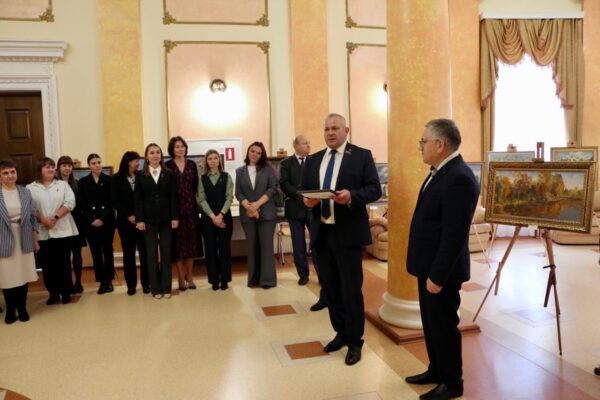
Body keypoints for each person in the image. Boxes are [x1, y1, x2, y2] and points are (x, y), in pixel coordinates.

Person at [404, 119, 479, 400]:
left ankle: (452, 382)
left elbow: (454, 235)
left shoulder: (459, 177)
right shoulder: (440, 172)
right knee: (432, 323)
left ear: (440, 144)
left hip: (441, 271)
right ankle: (436, 369)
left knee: (444, 326)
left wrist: (437, 275)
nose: (420, 147)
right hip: (428, 266)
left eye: (423, 142)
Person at [302, 113, 381, 366]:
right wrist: (307, 201)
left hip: (347, 234)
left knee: (350, 290)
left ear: (346, 131)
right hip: (322, 233)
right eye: (326, 129)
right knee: (331, 290)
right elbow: (305, 191)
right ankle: (341, 333)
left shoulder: (361, 156)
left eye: (335, 128)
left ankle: (355, 341)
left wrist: (352, 197)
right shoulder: (314, 159)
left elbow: (374, 189)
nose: (330, 133)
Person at [280, 135, 327, 311]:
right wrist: (302, 196)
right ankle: (303, 274)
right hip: (295, 208)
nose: (308, 145)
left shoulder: (315, 161)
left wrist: (312, 197)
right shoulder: (286, 163)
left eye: (309, 143)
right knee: (298, 243)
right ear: (295, 146)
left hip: (314, 208)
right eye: (305, 143)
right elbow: (284, 184)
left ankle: (322, 275)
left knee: (317, 243)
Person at [27, 157, 79, 305]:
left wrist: (55, 217)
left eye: (52, 166)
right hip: (42, 232)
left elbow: (70, 202)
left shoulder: (62, 185)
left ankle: (66, 292)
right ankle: (53, 294)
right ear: (40, 169)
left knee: (64, 263)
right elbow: (30, 207)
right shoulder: (30, 188)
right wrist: (43, 220)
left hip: (62, 230)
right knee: (47, 265)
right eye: (47, 167)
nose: (50, 169)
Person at [134, 143, 179, 299]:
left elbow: (173, 197)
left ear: (161, 155)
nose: (155, 155)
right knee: (151, 255)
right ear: (146, 157)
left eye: (157, 152)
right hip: (148, 220)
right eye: (152, 153)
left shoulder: (169, 173)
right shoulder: (140, 175)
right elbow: (138, 199)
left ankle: (166, 288)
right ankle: (156, 289)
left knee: (166, 253)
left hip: (166, 219)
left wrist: (175, 217)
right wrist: (139, 219)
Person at [0, 159, 39, 324]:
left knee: (24, 273)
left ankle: (22, 307)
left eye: (12, 172)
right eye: (5, 173)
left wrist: (35, 240)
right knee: (7, 276)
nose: (10, 176)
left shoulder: (25, 192)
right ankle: (10, 309)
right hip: (3, 238)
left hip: (24, 237)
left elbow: (32, 217)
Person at [235, 141, 278, 289]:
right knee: (252, 247)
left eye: (258, 153)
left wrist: (257, 205)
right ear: (248, 151)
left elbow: (272, 188)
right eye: (252, 151)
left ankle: (268, 280)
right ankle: (253, 280)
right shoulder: (239, 171)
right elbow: (238, 193)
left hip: (267, 214)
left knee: (266, 247)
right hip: (247, 214)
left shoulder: (268, 169)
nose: (255, 154)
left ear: (262, 155)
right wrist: (249, 207)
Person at [165, 137, 202, 291]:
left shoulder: (192, 164)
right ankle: (180, 278)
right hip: (175, 211)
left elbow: (196, 186)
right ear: (172, 149)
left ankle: (190, 276)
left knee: (191, 244)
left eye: (182, 146)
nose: (180, 149)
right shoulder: (167, 166)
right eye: (177, 147)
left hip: (191, 209)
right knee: (178, 246)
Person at [112, 151, 150, 295]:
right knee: (128, 254)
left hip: (142, 221)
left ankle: (146, 283)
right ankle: (131, 285)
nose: (138, 163)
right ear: (128, 162)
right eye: (136, 160)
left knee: (145, 253)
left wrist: (140, 216)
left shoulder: (142, 175)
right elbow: (115, 200)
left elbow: (145, 198)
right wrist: (128, 215)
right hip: (125, 222)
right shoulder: (116, 178)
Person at [77, 154, 116, 295]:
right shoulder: (83, 182)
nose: (97, 165)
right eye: (93, 163)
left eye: (99, 162)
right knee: (96, 253)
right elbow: (81, 204)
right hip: (90, 224)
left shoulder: (109, 180)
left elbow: (112, 202)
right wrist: (91, 220)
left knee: (108, 252)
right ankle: (101, 281)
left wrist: (102, 219)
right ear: (89, 165)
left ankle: (109, 281)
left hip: (107, 223)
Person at [197, 149, 233, 290]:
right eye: (210, 158)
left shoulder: (226, 177)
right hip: (208, 219)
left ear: (219, 160)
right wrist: (213, 217)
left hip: (224, 217)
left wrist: (220, 215)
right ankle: (214, 281)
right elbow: (201, 199)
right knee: (210, 250)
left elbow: (229, 198)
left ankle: (225, 280)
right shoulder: (202, 179)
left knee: (224, 249)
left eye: (215, 158)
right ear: (206, 161)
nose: (213, 161)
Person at [56, 156, 86, 294]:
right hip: (61, 222)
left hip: (77, 222)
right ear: (59, 167)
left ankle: (78, 282)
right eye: (64, 165)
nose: (67, 168)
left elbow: (81, 204)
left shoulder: (77, 183)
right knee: (64, 256)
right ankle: (67, 284)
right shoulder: (54, 184)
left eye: (69, 166)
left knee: (77, 253)